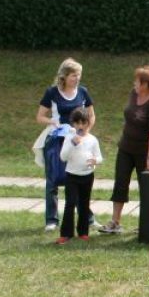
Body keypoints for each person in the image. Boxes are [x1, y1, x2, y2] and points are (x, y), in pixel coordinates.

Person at [99, 65, 149, 234]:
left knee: (146, 188)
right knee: (120, 183)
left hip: (145, 152)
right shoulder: (134, 94)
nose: (134, 84)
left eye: (137, 81)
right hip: (126, 148)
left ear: (145, 84)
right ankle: (115, 222)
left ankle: (146, 224)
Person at [35, 58, 97, 232]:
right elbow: (40, 117)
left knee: (80, 178)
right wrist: (53, 122)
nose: (77, 78)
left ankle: (88, 218)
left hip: (78, 142)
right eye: (73, 75)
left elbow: (91, 115)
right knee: (53, 180)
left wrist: (85, 133)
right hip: (57, 140)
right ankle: (51, 220)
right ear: (64, 76)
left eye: (78, 75)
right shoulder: (52, 93)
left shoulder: (83, 92)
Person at [57, 107, 103, 245]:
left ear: (88, 123)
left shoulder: (92, 139)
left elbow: (99, 157)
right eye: (77, 123)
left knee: (84, 204)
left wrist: (96, 161)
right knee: (70, 203)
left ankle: (83, 232)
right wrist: (72, 144)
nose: (81, 126)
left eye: (84, 123)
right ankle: (66, 234)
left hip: (87, 176)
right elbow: (63, 157)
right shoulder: (69, 138)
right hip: (72, 175)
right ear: (73, 124)